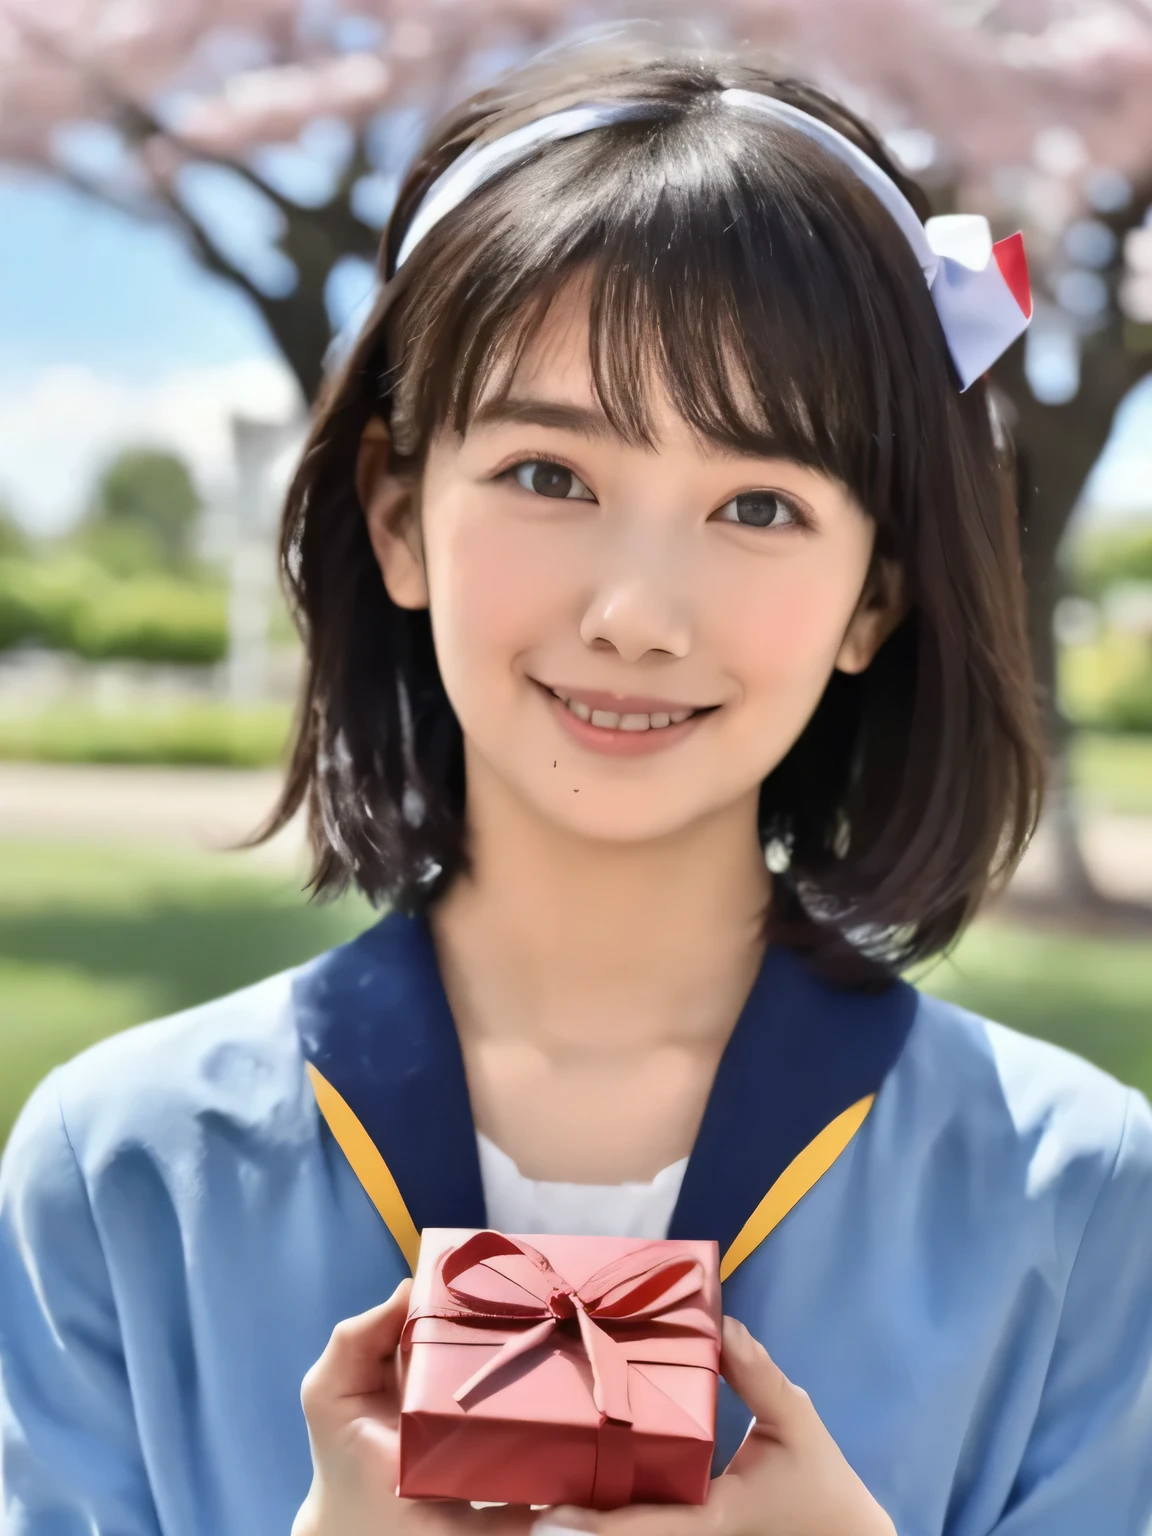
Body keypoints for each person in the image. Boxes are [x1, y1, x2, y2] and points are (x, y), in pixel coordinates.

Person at [2, 39, 1150, 1536]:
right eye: (553, 475)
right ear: (401, 514)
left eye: (759, 504)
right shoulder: (124, 1177)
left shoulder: (1080, 1204)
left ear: (877, 597)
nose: (635, 613)